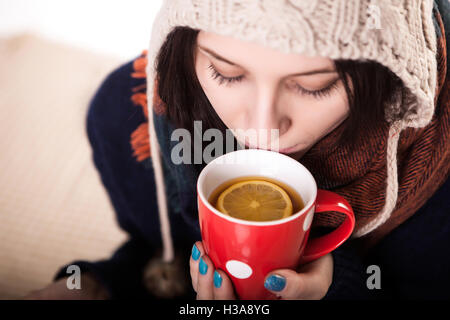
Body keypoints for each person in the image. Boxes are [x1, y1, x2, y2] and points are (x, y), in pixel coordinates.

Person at [24, 0, 449, 300]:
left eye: (314, 85)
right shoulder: (130, 124)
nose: (262, 127)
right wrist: (103, 285)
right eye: (225, 73)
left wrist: (340, 288)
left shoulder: (437, 167)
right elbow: (158, 248)